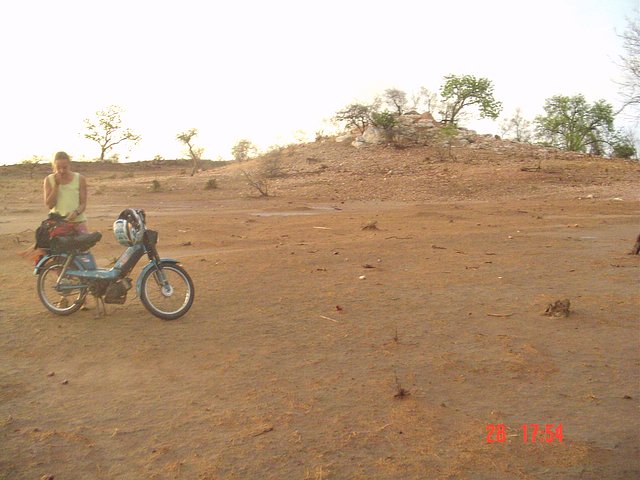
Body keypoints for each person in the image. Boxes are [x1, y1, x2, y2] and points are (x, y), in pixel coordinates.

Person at [44, 151, 88, 233]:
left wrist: (76, 212)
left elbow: (83, 204)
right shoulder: (49, 180)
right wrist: (56, 185)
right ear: (54, 166)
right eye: (58, 168)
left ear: (69, 165)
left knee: (84, 242)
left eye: (65, 167)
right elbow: (50, 205)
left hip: (78, 221)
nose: (62, 170)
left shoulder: (80, 179)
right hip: (57, 222)